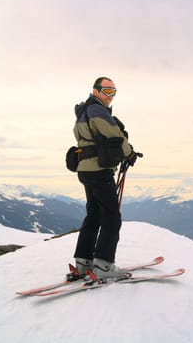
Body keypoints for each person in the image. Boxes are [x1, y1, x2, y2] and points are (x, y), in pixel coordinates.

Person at [73, 76, 137, 279]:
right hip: (99, 170)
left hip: (85, 169)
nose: (110, 97)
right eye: (107, 92)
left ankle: (83, 262)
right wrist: (129, 154)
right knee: (111, 217)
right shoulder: (97, 110)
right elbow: (115, 135)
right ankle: (104, 265)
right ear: (96, 91)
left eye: (113, 93)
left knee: (94, 214)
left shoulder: (83, 111)